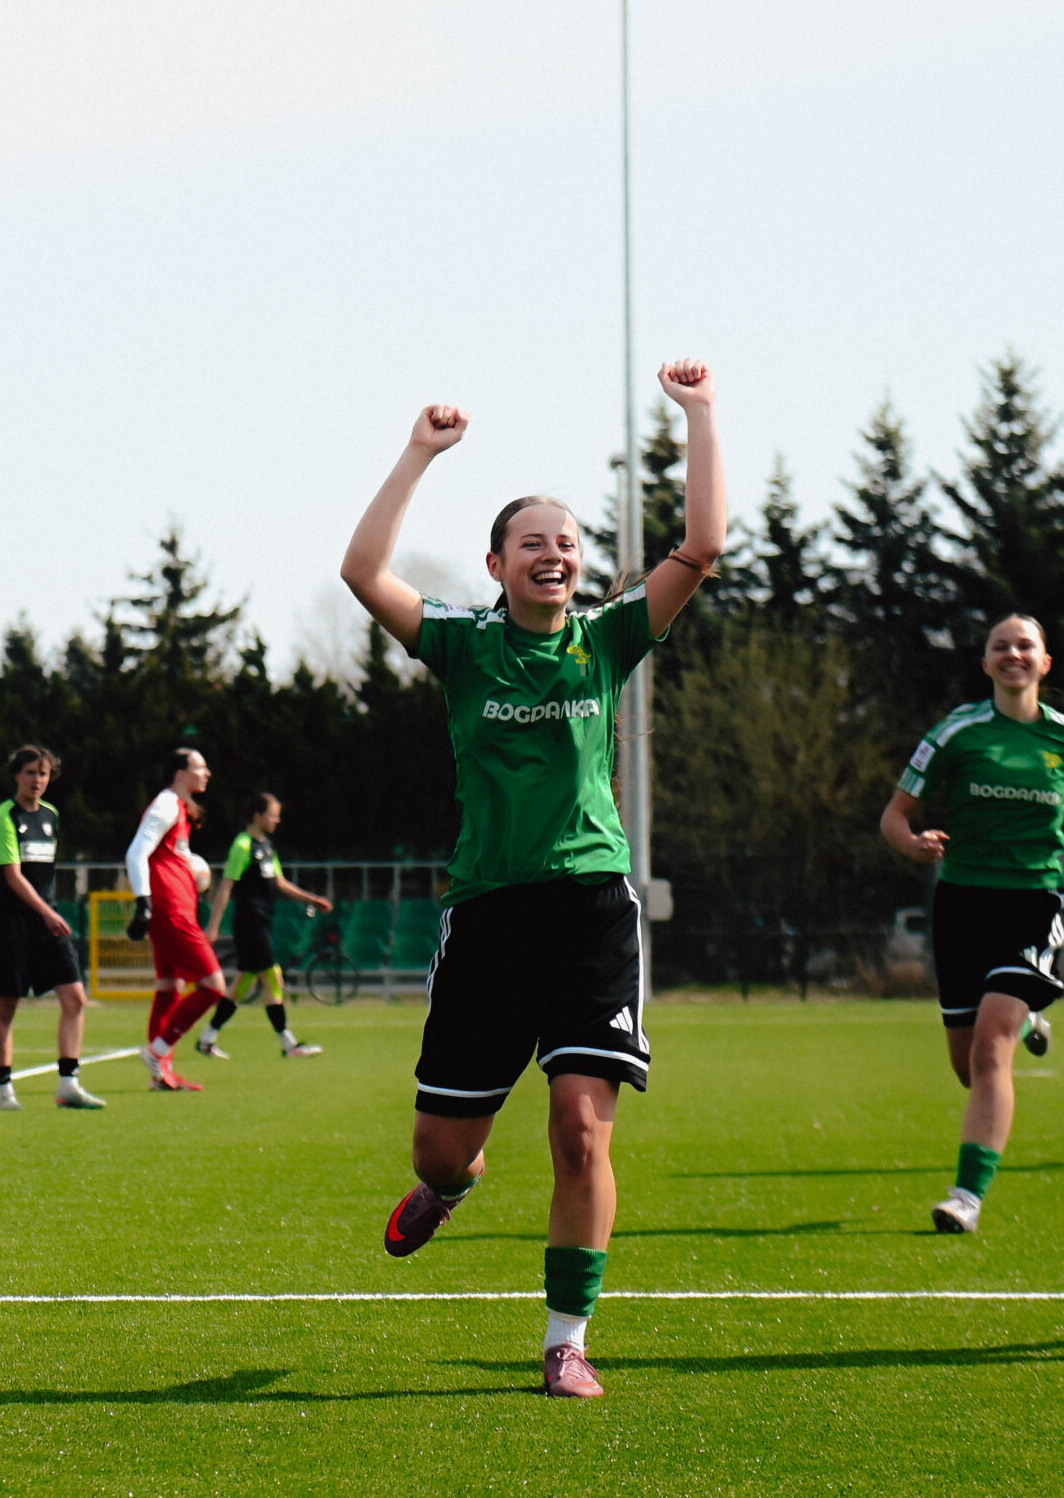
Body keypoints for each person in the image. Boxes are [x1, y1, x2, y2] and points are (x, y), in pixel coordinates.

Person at [341, 360, 725, 1401]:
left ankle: (566, 1338)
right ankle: (450, 1187)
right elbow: (363, 571)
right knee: (438, 1151)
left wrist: (698, 414)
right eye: (532, 542)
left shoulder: (608, 639)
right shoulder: (463, 645)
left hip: (590, 908)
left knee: (580, 1129)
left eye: (567, 541)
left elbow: (701, 546)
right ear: (497, 563)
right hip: (487, 919)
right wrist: (418, 452)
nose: (554, 553)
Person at [879, 613, 1064, 1235]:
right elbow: (894, 815)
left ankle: (967, 1196)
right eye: (1000, 646)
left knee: (989, 1050)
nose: (1013, 654)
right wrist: (913, 843)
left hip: (1032, 905)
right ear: (984, 663)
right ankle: (1029, 1018)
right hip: (961, 906)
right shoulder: (956, 733)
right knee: (970, 1067)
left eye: (1025, 645)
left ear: (1045, 662)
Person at [0, 745, 101, 1109]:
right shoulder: (5, 815)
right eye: (30, 773)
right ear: (16, 775)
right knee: (8, 1005)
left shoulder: (51, 815)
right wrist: (45, 912)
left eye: (44, 773)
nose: (37, 780)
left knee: (75, 998)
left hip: (48, 921)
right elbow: (13, 875)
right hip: (12, 922)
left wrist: (48, 913)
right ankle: (5, 1090)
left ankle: (68, 1085)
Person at [193, 792, 333, 1060]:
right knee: (273, 978)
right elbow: (226, 885)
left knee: (242, 985)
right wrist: (213, 926)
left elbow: (279, 882)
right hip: (250, 922)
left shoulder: (267, 847)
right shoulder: (242, 845)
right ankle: (289, 1044)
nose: (277, 820)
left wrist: (312, 899)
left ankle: (207, 1040)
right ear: (257, 816)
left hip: (263, 920)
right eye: (272, 815)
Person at [126, 748, 235, 1091]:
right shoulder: (167, 804)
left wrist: (190, 868)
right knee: (213, 985)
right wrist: (142, 901)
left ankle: (161, 1075)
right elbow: (136, 851)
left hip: (176, 905)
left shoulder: (178, 808)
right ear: (180, 773)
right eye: (200, 768)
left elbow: (166, 854)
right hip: (170, 908)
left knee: (170, 987)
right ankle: (157, 1052)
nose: (207, 773)